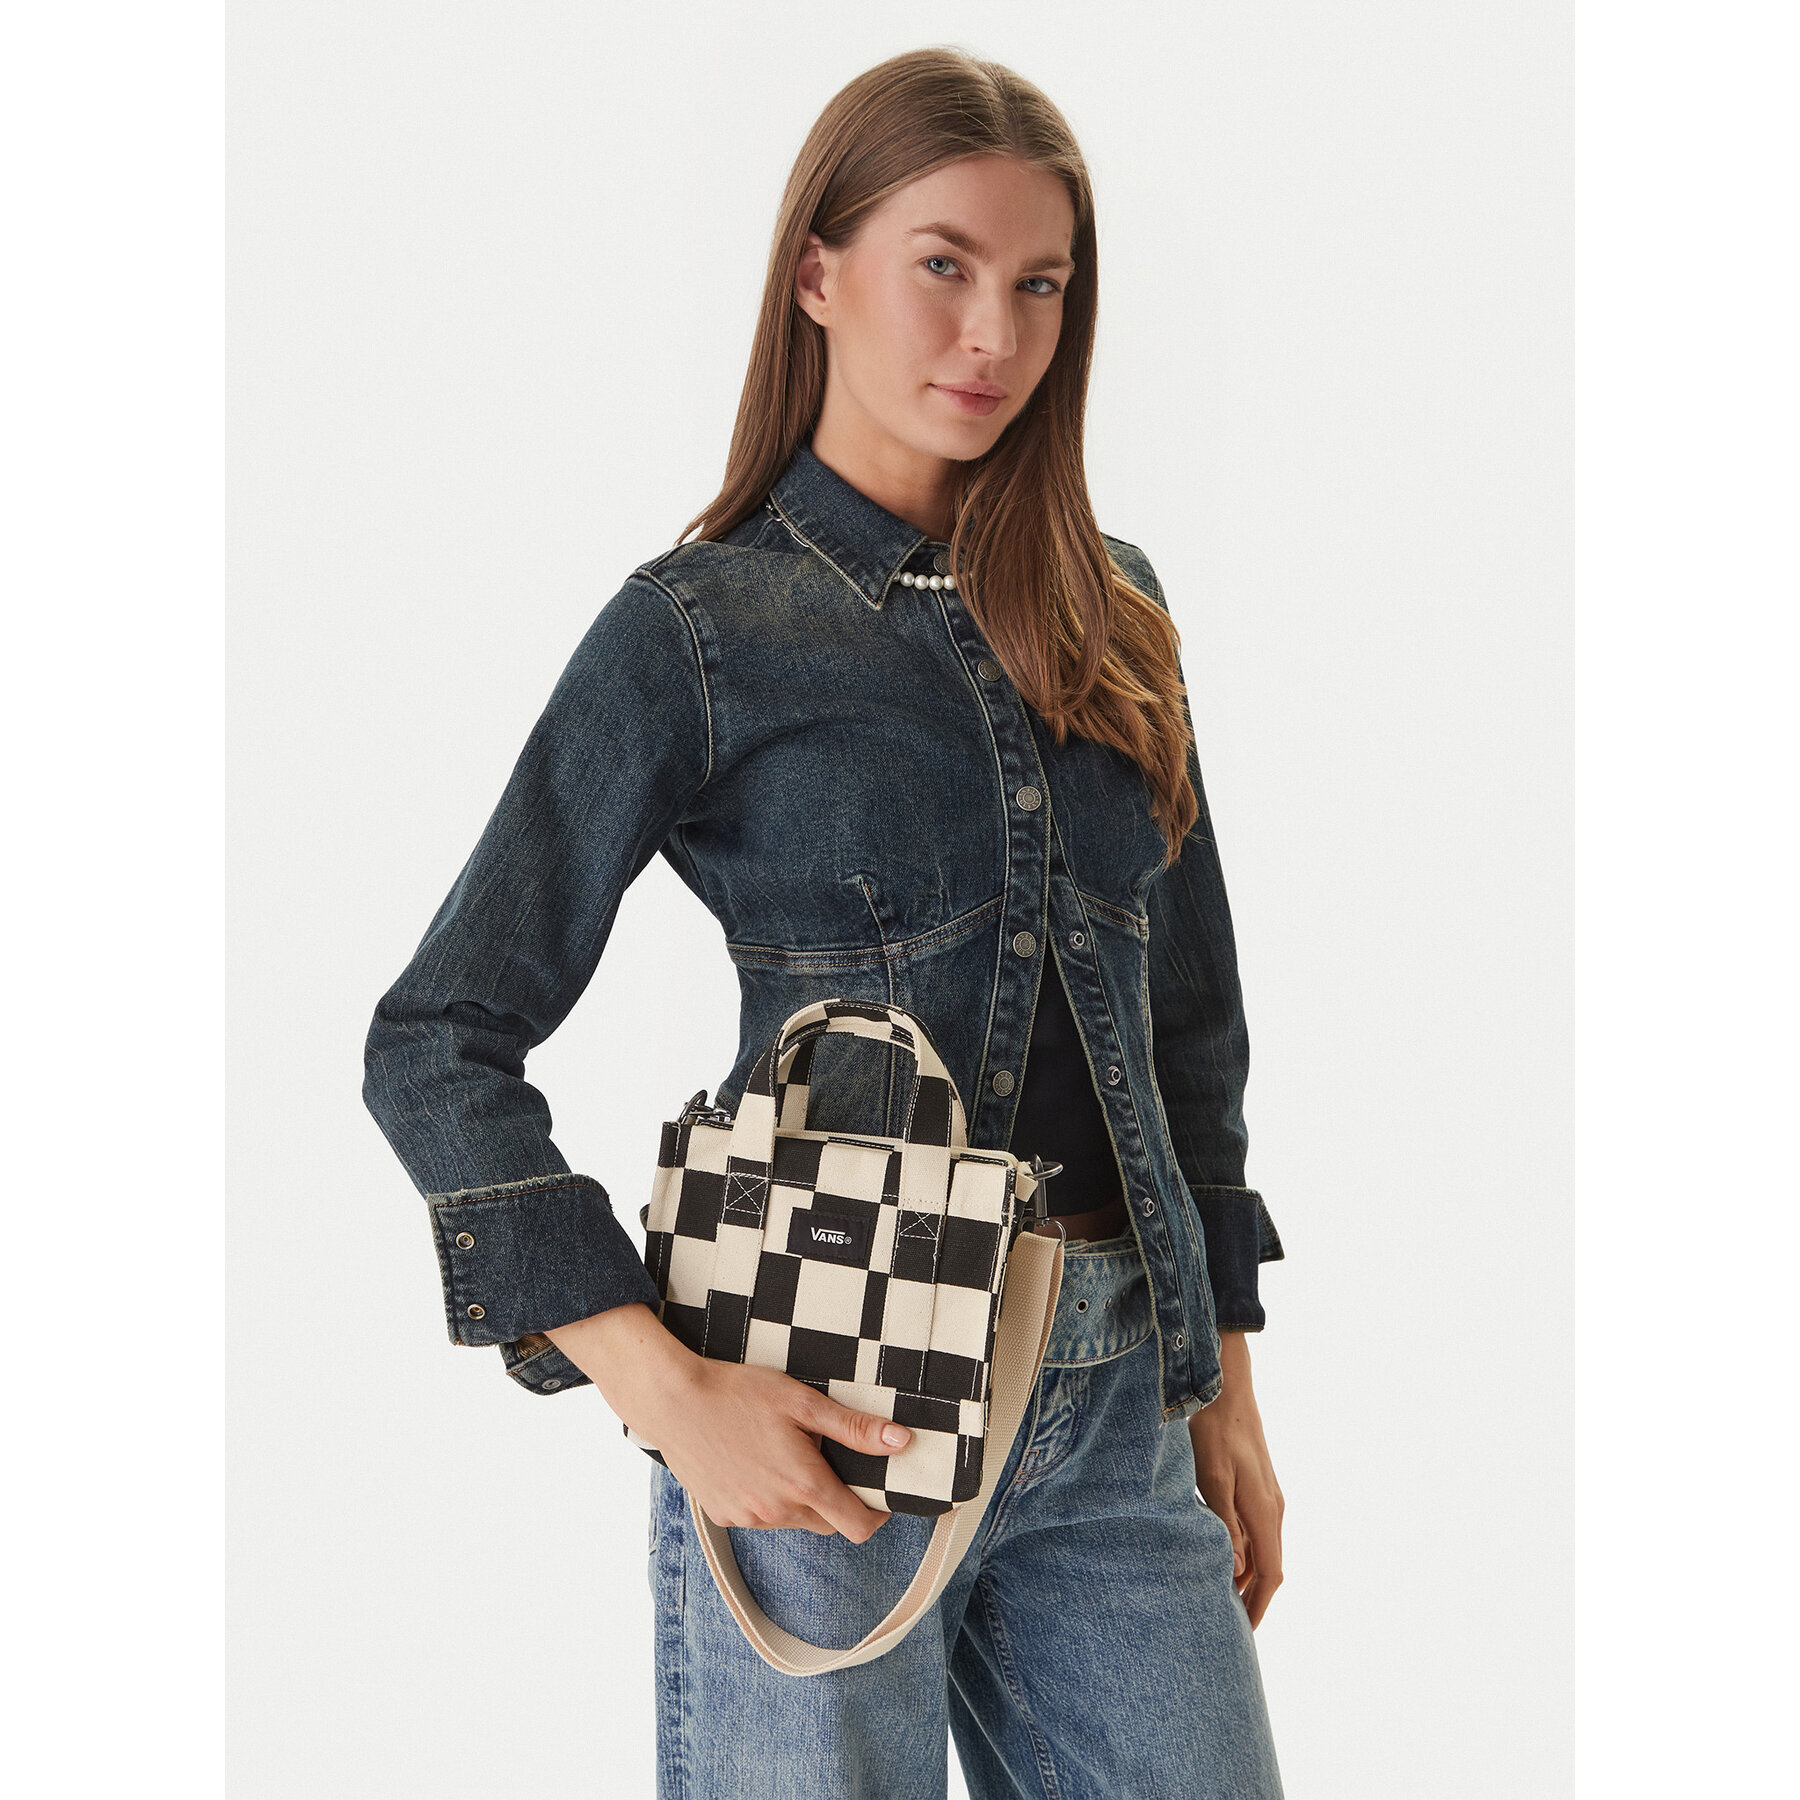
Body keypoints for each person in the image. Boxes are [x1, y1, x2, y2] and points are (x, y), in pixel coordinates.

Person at [364, 45, 1287, 1799]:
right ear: (816, 273)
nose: (993, 335)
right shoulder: (703, 631)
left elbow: (1192, 1033)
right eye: (943, 264)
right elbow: (437, 1040)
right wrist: (666, 1393)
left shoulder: (1118, 612)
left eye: (1040, 284)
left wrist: (1224, 1386)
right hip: (821, 1401)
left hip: (1120, 1411)